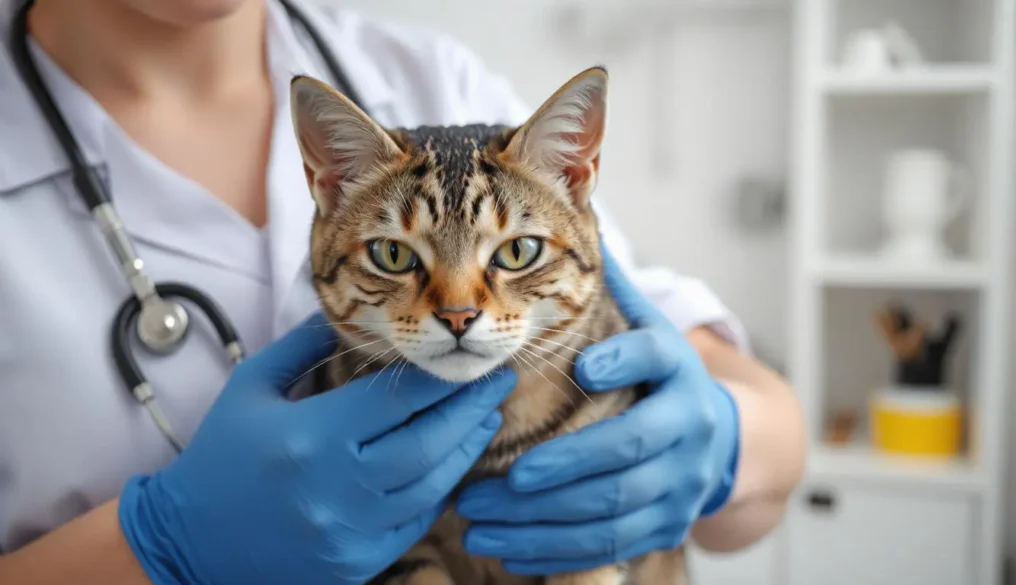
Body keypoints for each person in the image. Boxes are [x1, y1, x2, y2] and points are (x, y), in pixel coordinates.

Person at [0, 0, 807, 583]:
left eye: (512, 253)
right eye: (395, 253)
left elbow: (770, 446)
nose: (459, 307)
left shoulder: (436, 79)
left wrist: (723, 445)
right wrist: (162, 546)